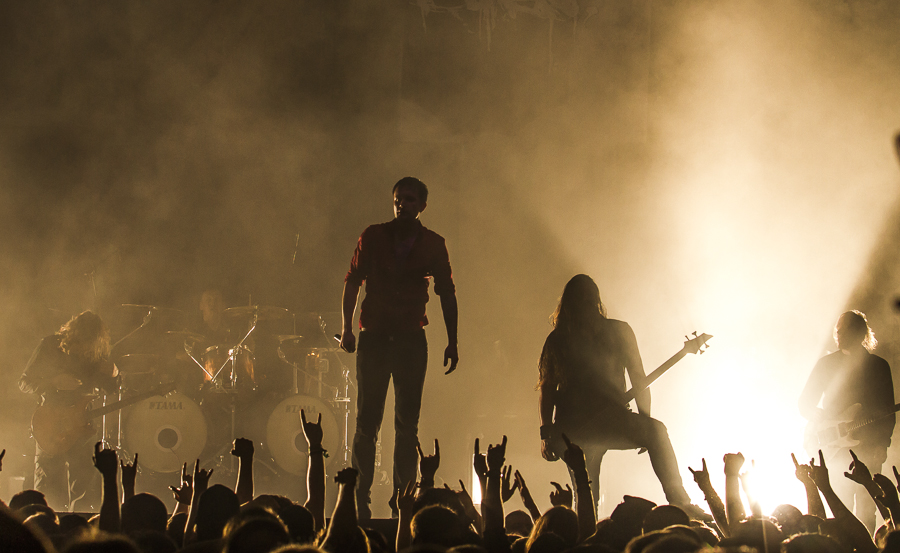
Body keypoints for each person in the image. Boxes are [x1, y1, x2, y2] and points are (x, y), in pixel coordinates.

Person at [537, 274, 707, 520]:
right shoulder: (558, 340)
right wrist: (546, 433)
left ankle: (680, 504)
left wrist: (644, 421)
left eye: (590, 300)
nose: (588, 306)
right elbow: (548, 388)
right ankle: (587, 538)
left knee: (655, 432)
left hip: (609, 420)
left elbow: (638, 378)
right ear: (572, 304)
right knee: (587, 494)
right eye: (582, 301)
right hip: (574, 429)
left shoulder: (618, 332)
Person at [339, 176, 459, 519]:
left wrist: (453, 340)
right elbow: (352, 280)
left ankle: (400, 507)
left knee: (406, 425)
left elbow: (447, 293)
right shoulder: (373, 236)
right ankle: (359, 503)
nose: (402, 204)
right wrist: (346, 328)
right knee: (367, 422)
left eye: (409, 199)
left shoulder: (434, 244)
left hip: (409, 339)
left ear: (422, 206)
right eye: (397, 199)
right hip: (375, 336)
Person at [798, 309, 895, 531]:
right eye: (837, 330)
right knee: (839, 508)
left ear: (860, 334)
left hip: (869, 448)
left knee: (866, 510)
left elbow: (888, 412)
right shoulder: (826, 364)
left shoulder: (878, 366)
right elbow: (805, 403)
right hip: (833, 448)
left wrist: (883, 444)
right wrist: (817, 418)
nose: (839, 334)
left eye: (844, 330)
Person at [19, 311, 119, 511]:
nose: (83, 350)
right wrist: (53, 382)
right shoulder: (50, 345)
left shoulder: (96, 354)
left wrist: (114, 374)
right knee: (47, 487)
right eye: (80, 343)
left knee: (84, 488)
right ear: (73, 335)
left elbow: (110, 388)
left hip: (82, 425)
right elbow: (25, 382)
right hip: (49, 422)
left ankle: (78, 528)